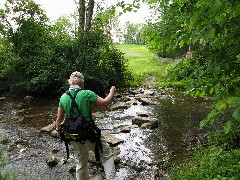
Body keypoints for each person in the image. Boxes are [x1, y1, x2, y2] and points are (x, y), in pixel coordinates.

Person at [55, 71, 117, 180]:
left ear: (70, 82)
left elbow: (59, 118)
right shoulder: (87, 93)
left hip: (72, 134)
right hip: (89, 132)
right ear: (82, 83)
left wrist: (58, 130)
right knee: (107, 156)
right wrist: (112, 92)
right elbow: (105, 102)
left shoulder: (63, 97)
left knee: (81, 162)